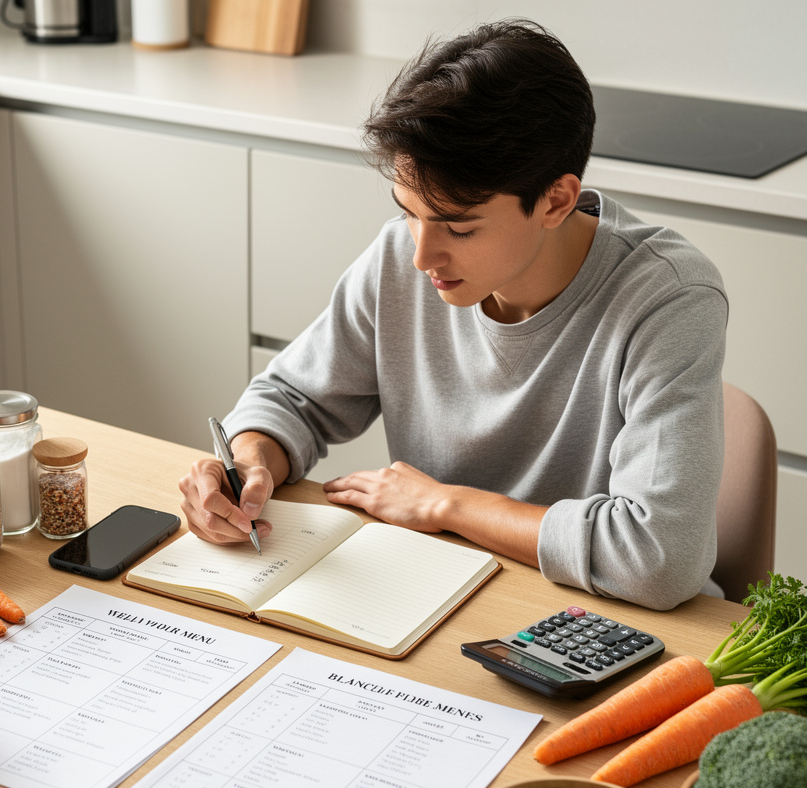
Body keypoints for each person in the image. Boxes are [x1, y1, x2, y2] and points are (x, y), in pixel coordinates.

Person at [179, 19, 727, 611]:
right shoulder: (402, 256)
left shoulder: (668, 299)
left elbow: (659, 559)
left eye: (459, 227)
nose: (421, 255)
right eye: (409, 212)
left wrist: (447, 504)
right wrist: (248, 463)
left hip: (591, 621)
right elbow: (294, 400)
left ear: (556, 200)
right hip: (434, 592)